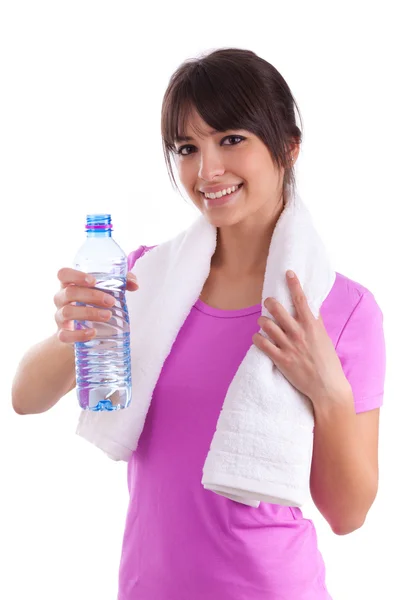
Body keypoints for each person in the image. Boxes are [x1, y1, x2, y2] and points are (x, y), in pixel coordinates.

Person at [12, 48, 386, 600]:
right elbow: (25, 397)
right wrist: (75, 330)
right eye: (187, 148)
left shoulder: (341, 308)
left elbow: (348, 514)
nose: (207, 171)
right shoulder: (145, 283)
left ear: (288, 145)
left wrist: (327, 387)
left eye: (231, 139)